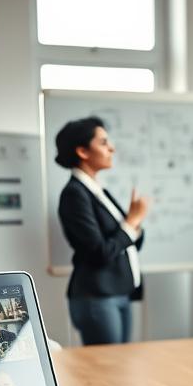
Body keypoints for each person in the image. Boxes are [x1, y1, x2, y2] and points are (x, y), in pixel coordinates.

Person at [56, 117, 147, 345]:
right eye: (104, 142)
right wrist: (131, 222)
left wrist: (134, 223)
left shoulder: (98, 191)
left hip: (119, 292)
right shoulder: (75, 194)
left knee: (121, 363)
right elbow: (99, 252)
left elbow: (130, 242)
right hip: (96, 297)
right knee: (107, 365)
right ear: (82, 151)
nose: (112, 148)